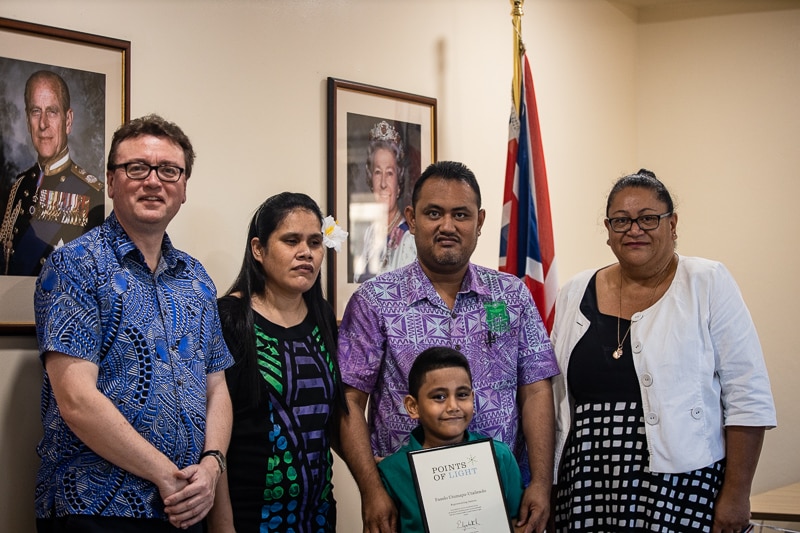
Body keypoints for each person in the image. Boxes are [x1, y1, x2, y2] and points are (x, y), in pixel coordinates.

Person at [33, 114, 233, 532]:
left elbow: (217, 388)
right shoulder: (74, 266)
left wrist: (212, 468)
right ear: (110, 181)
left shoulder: (197, 280)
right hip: (96, 509)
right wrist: (165, 474)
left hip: (186, 506)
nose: (153, 181)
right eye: (136, 168)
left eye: (169, 170)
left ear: (183, 189)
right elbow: (76, 401)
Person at [337, 160, 560, 533]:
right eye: (433, 213)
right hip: (408, 504)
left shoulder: (510, 296)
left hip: (501, 501)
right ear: (410, 218)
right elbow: (349, 402)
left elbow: (536, 389)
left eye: (461, 214)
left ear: (481, 220)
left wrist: (540, 481)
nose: (447, 226)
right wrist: (372, 489)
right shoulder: (375, 301)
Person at [551, 169, 777, 532]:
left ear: (672, 225)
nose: (634, 229)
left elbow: (747, 395)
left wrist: (737, 494)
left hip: (680, 483)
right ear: (608, 232)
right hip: (587, 480)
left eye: (648, 219)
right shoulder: (575, 291)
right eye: (621, 221)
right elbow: (554, 397)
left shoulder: (707, 281)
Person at [208, 192, 347, 533]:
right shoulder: (229, 318)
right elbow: (212, 433)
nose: (306, 253)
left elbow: (328, 420)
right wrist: (222, 525)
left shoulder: (323, 318)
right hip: (249, 516)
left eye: (315, 242)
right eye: (291, 240)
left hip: (316, 516)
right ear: (258, 249)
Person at [378, 347, 524, 533]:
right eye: (439, 397)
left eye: (462, 394)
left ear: (473, 398)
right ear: (413, 406)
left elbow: (516, 521)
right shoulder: (392, 471)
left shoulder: (500, 456)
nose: (453, 406)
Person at [1, 70, 104, 276]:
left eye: (52, 111)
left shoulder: (93, 194)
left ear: (68, 120)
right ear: (27, 120)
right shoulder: (18, 187)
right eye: (36, 111)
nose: (43, 124)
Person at [352, 120, 416, 282]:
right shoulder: (369, 234)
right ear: (370, 179)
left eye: (389, 173)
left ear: (399, 182)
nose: (382, 184)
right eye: (378, 172)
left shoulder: (409, 239)